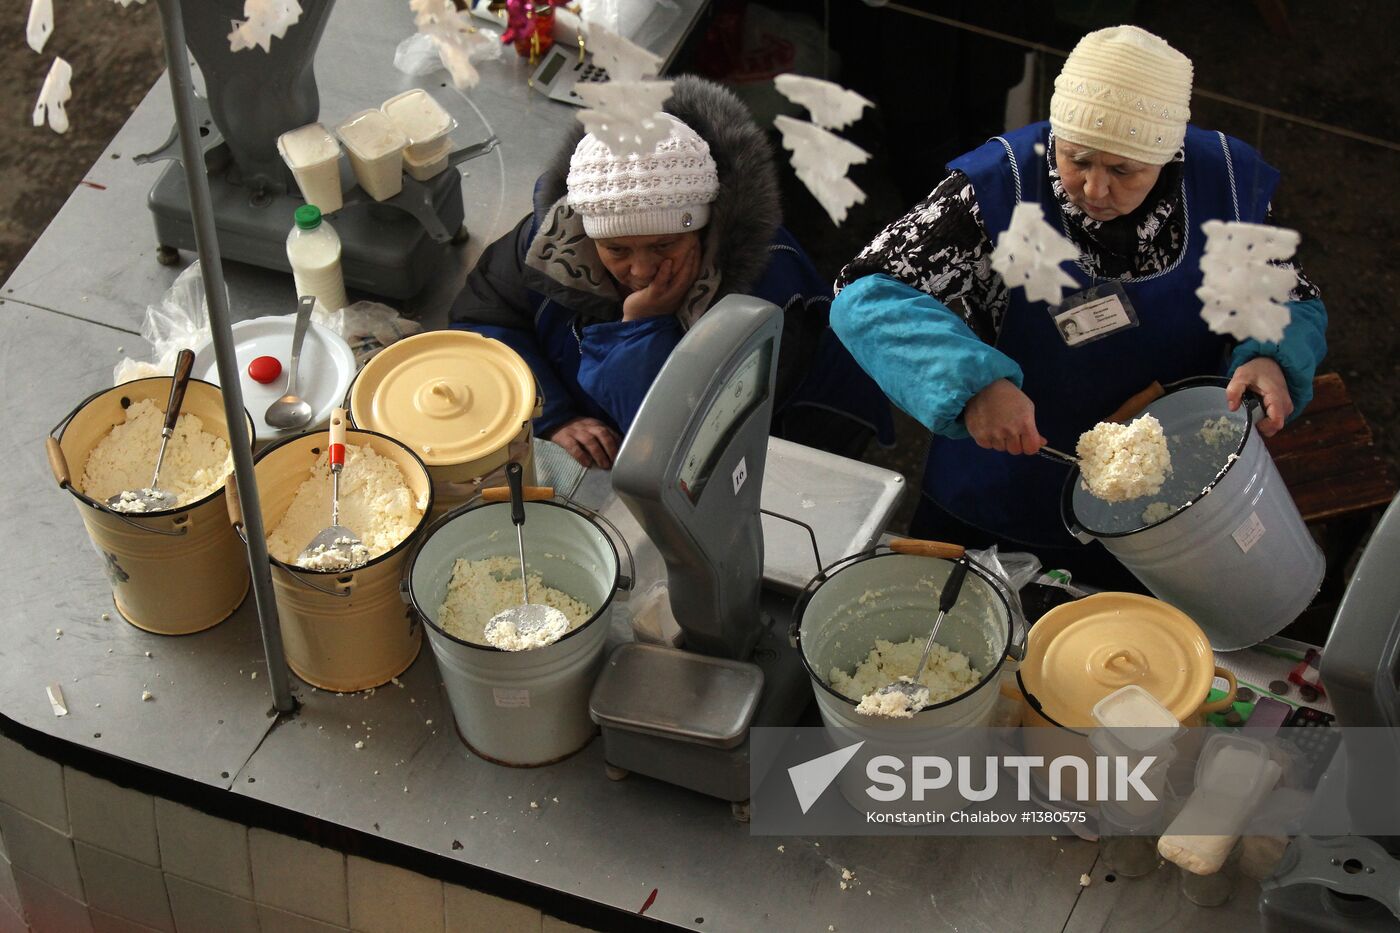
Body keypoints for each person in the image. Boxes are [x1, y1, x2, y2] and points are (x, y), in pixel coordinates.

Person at [830, 25, 1327, 586]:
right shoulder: (996, 190)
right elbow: (866, 295)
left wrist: (1269, 355)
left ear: (1168, 156)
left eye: (1123, 171)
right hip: (1007, 482)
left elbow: (1284, 295)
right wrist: (970, 384)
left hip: (1175, 492)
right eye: (1077, 159)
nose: (1093, 189)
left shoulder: (1226, 184)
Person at [451, 75, 892, 469]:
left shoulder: (765, 294)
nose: (640, 270)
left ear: (702, 229)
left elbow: (680, 447)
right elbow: (483, 319)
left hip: (783, 454)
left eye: (664, 245)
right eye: (616, 249)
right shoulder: (553, 241)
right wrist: (549, 412)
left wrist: (641, 326)